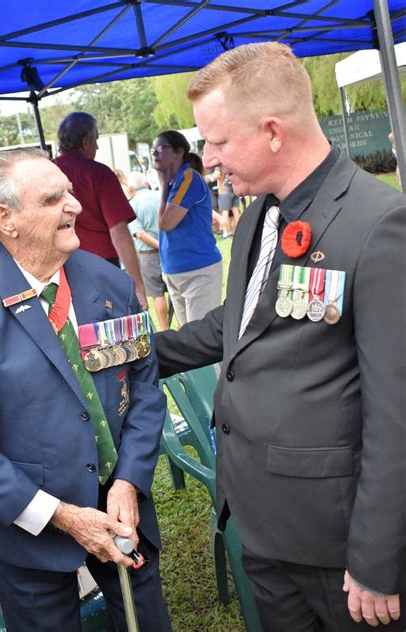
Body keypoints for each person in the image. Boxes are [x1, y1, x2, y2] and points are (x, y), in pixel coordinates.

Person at [155, 42, 405, 631]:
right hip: (261, 523)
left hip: (338, 544)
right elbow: (234, 329)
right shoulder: (260, 214)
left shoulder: (379, 224)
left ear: (271, 131)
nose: (207, 159)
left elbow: (397, 414)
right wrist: (133, 356)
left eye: (216, 142)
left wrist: (376, 559)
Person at [0, 148, 171, 632]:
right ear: (6, 219)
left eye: (71, 191)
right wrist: (63, 516)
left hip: (122, 509)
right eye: (53, 197)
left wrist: (128, 479)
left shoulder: (109, 281)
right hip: (30, 529)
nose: (76, 205)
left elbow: (145, 386)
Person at [54, 112, 147, 309]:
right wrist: (138, 286)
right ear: (86, 141)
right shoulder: (99, 173)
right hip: (100, 268)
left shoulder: (47, 171)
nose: (96, 146)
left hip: (58, 269)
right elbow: (119, 232)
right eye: (95, 140)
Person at [152, 130, 222, 326]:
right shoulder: (175, 181)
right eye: (153, 149)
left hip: (197, 271)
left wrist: (163, 185)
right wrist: (164, 184)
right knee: (188, 342)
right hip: (175, 271)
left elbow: (166, 223)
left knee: (201, 341)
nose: (155, 153)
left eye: (160, 148)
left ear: (179, 151)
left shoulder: (188, 178)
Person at [127, 171, 169, 331]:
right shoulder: (160, 196)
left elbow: (140, 234)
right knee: (175, 292)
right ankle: (181, 326)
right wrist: (166, 246)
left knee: (157, 294)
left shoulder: (132, 204)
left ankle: (164, 329)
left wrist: (159, 246)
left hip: (149, 255)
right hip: (171, 251)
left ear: (131, 188)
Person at [218, 173, 240, 238]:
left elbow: (217, 174)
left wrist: (209, 177)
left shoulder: (219, 164)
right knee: (236, 211)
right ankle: (237, 231)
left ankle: (225, 233)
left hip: (225, 190)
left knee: (225, 211)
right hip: (234, 189)